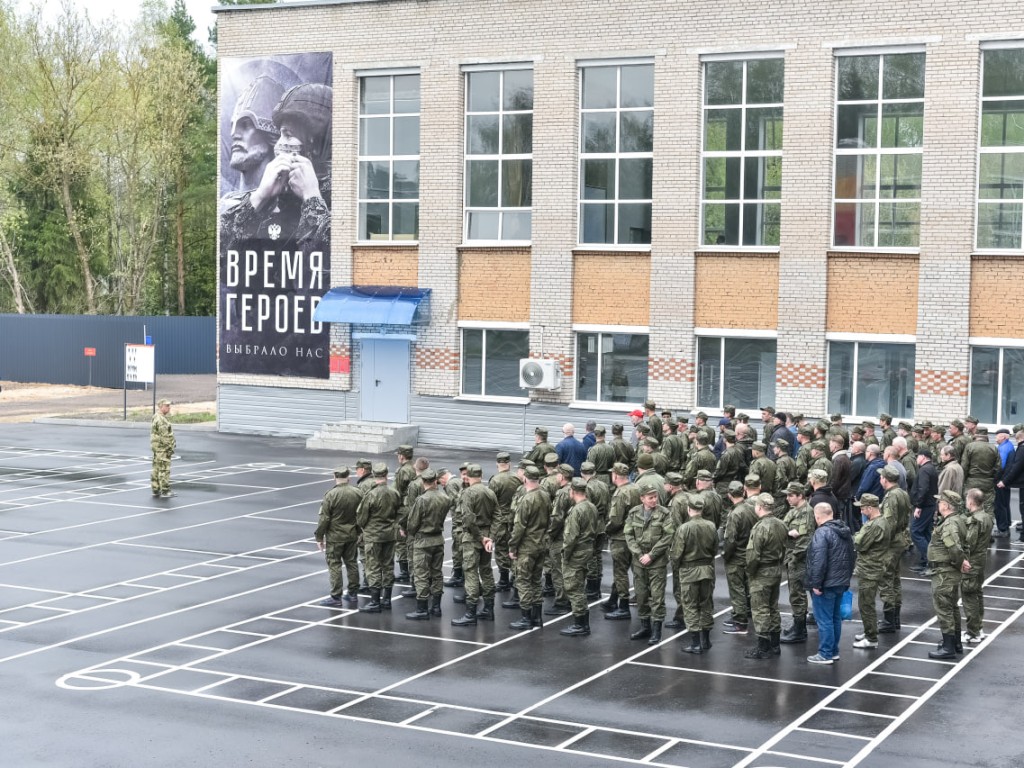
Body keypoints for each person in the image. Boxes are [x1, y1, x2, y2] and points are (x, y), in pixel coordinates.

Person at [221, 82, 333, 251]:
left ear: (316, 146)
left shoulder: (344, 204)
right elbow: (222, 253)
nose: (279, 145)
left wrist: (312, 199)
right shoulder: (270, 201)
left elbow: (325, 264)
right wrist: (259, 199)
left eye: (288, 135)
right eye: (280, 135)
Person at [805, 502, 855, 665]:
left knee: (824, 619)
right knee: (834, 618)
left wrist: (816, 584)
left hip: (826, 584)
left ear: (817, 516)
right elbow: (851, 557)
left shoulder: (822, 533)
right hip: (840, 582)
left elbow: (818, 561)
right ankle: (833, 651)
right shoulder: (845, 531)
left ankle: (825, 653)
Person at [625, 486, 675, 644]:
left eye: (655, 497)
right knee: (641, 595)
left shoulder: (664, 514)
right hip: (639, 561)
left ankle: (656, 631)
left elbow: (668, 536)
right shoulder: (634, 513)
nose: (654, 500)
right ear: (642, 498)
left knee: (657, 597)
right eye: (650, 497)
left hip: (657, 562)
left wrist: (651, 555)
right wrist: (639, 555)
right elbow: (628, 534)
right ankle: (645, 626)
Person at [222, 75, 284, 202]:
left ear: (271, 134)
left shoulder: (287, 205)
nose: (234, 134)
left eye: (245, 124)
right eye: (233, 125)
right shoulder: (225, 206)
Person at [452, 464, 499, 626]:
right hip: (486, 536)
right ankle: (489, 608)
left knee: (471, 573)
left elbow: (468, 520)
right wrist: (489, 538)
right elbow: (497, 516)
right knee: (486, 572)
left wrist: (480, 538)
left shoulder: (467, 493)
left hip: (473, 538)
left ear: (468, 476)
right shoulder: (490, 492)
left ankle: (470, 613)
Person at [928, 490, 972, 660]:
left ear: (946, 505)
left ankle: (948, 647)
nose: (938, 505)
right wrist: (962, 561)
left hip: (944, 573)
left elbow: (954, 548)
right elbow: (964, 545)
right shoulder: (957, 521)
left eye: (940, 502)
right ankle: (955, 643)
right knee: (952, 607)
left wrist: (959, 561)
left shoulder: (948, 524)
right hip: (949, 572)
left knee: (944, 609)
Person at [508, 464, 552, 630]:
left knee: (524, 581)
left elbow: (519, 526)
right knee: (535, 581)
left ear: (525, 478)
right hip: (541, 544)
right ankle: (537, 617)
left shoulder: (527, 499)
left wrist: (512, 547)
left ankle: (526, 618)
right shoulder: (545, 495)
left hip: (527, 546)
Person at [744, 493, 788, 659]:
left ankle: (763, 647)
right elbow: (785, 547)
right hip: (775, 570)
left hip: (762, 572)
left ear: (760, 507)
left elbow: (753, 555)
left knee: (760, 609)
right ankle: (775, 644)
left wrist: (750, 572)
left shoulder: (759, 527)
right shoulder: (781, 524)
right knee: (772, 607)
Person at [403, 468, 449, 620]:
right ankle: (436, 607)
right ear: (435, 480)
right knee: (437, 574)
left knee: (421, 575)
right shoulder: (444, 497)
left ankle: (422, 609)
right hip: (438, 539)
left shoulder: (421, 500)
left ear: (423, 482)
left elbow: (412, 523)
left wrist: (411, 531)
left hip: (423, 541)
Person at [355, 462, 401, 612]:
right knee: (388, 566)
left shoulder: (371, 494)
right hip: (389, 535)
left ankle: (375, 602)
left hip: (373, 536)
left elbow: (361, 518)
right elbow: (400, 512)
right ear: (387, 475)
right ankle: (387, 600)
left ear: (374, 476)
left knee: (373, 567)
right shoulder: (394, 493)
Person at [314, 466, 362, 606]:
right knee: (352, 563)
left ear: (334, 477)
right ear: (348, 477)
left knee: (334, 565)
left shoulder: (331, 495)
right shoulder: (357, 493)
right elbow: (362, 514)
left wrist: (319, 537)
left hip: (335, 537)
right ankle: (353, 593)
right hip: (352, 534)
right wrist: (359, 531)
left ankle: (336, 596)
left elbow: (324, 519)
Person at [559, 478, 600, 636]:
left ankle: (580, 624)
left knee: (574, 588)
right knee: (579, 587)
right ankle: (582, 622)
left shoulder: (577, 510)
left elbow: (571, 537)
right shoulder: (591, 507)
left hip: (576, 553)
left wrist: (565, 555)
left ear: (573, 491)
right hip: (587, 550)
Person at [851, 493, 891, 650]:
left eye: (862, 508)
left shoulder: (873, 526)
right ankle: (870, 630)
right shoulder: (883, 522)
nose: (860, 511)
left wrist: (856, 537)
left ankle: (871, 638)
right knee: (867, 602)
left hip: (869, 569)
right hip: (875, 566)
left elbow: (860, 544)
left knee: (866, 604)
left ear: (869, 508)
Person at [780, 482, 816, 644]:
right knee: (794, 594)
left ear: (800, 496)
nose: (787, 498)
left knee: (797, 594)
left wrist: (794, 558)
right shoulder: (795, 511)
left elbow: (804, 540)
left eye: (791, 495)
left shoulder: (806, 513)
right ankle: (797, 626)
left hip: (798, 561)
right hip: (791, 558)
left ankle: (800, 630)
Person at [878, 465, 911, 633]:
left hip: (892, 542)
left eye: (881, 477)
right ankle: (895, 617)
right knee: (895, 578)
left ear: (885, 479)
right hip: (901, 539)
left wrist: (881, 541)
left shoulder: (891, 497)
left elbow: (889, 523)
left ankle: (889, 619)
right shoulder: (902, 493)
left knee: (886, 578)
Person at [605, 462, 639, 620]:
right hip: (634, 535)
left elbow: (616, 520)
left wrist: (607, 530)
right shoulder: (636, 488)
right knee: (628, 570)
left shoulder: (620, 493)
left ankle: (623, 605)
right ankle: (613, 599)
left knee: (620, 572)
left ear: (616, 476)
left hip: (620, 537)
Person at [961, 487, 993, 645]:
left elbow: (969, 542)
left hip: (972, 561)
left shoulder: (975, 520)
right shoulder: (986, 516)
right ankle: (978, 628)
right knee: (977, 594)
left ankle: (973, 632)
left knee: (969, 596)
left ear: (971, 502)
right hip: (981, 560)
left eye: (967, 499)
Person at [910, 449, 939, 573]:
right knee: (926, 533)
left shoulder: (924, 469)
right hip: (929, 505)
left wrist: (918, 506)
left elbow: (923, 488)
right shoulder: (930, 468)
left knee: (915, 531)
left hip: (925, 506)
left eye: (918, 457)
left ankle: (929, 560)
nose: (916, 459)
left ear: (923, 457)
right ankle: (925, 561)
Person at [150, 399, 176, 498]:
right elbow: (165, 436)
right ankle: (165, 490)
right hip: (162, 448)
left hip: (157, 448)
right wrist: (170, 448)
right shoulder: (161, 419)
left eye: (169, 405)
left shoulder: (157, 416)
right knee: (164, 469)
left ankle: (156, 489)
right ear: (161, 407)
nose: (169, 408)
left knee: (156, 468)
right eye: (167, 406)